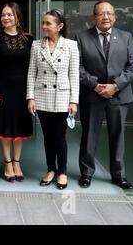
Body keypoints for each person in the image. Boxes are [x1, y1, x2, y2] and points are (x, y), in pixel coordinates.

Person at [76, 1, 133, 189]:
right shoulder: (81, 37)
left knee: (117, 136)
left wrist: (115, 86)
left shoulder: (126, 37)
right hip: (92, 95)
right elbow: (77, 67)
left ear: (115, 16)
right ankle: (86, 174)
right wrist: (95, 85)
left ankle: (118, 176)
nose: (106, 17)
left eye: (109, 13)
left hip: (119, 96)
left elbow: (132, 66)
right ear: (93, 17)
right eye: (101, 13)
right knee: (89, 136)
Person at [27, 10, 79, 190]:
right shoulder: (36, 45)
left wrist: (74, 101)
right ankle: (50, 170)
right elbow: (31, 73)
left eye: (48, 23)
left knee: (59, 136)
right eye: (43, 23)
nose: (44, 26)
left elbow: (74, 75)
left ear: (60, 26)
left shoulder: (71, 46)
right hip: (41, 96)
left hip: (62, 98)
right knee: (48, 137)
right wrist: (30, 97)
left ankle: (62, 172)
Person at [0, 2, 33, 182]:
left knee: (19, 129)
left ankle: (17, 163)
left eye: (10, 15)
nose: (6, 18)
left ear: (17, 18)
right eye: (3, 15)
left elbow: (33, 68)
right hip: (3, 91)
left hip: (23, 92)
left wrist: (32, 95)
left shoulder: (29, 39)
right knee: (5, 129)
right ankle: (7, 163)